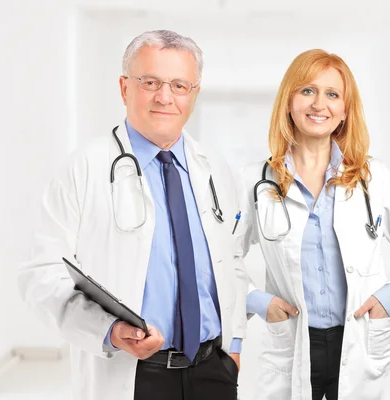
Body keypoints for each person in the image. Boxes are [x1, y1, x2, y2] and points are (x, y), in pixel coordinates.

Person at [18, 30, 247, 400]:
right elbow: (41, 275)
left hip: (213, 371)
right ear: (125, 88)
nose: (165, 97)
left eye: (179, 85)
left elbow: (232, 261)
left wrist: (233, 346)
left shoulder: (214, 168)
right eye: (151, 82)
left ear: (195, 95)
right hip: (133, 375)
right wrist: (108, 330)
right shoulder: (85, 169)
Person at [234, 49, 390, 399]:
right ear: (289, 101)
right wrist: (257, 301)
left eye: (332, 94)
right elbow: (221, 257)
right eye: (307, 91)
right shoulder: (256, 180)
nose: (319, 104)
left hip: (363, 338)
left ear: (345, 110)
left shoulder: (372, 178)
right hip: (294, 339)